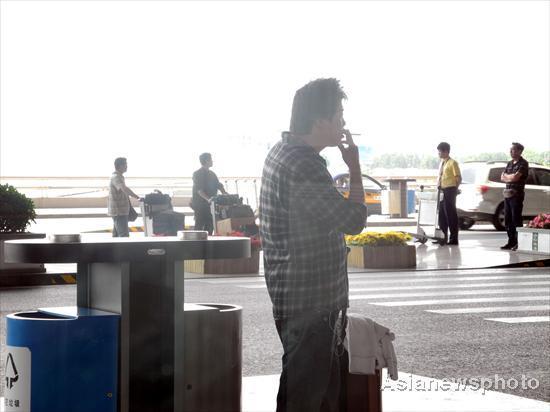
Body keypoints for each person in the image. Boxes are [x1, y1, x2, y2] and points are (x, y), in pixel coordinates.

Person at [259, 78, 367, 412]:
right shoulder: (304, 164)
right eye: (339, 116)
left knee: (318, 392)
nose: (344, 124)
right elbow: (353, 220)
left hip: (298, 293)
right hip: (311, 299)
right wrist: (355, 168)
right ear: (320, 121)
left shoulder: (281, 152)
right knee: (306, 395)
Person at [500, 142, 529, 250]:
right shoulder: (509, 163)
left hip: (516, 195)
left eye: (513, 150)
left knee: (516, 219)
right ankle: (510, 241)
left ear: (520, 151)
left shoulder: (523, 163)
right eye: (511, 150)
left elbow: (516, 178)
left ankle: (519, 243)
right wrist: (510, 177)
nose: (511, 152)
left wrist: (509, 177)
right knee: (508, 219)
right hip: (507, 195)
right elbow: (502, 177)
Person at [191, 152, 228, 234]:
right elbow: (199, 190)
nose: (212, 161)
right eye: (211, 159)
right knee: (199, 225)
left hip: (210, 205)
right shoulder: (197, 174)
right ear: (206, 161)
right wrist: (208, 199)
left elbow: (219, 185)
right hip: (200, 204)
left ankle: (208, 243)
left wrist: (225, 193)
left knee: (210, 225)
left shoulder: (212, 174)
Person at [436, 142, 462, 246]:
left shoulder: (453, 163)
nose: (438, 154)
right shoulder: (442, 163)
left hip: (450, 190)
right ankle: (443, 238)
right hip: (442, 191)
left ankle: (453, 239)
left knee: (450, 215)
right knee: (441, 215)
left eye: (440, 151)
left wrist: (455, 190)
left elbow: (458, 178)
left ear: (446, 151)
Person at [108, 157, 141, 237]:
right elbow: (124, 189)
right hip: (119, 211)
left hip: (119, 210)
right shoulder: (116, 177)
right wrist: (137, 197)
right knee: (124, 236)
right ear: (120, 166)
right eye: (125, 165)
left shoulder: (119, 177)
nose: (127, 167)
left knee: (116, 235)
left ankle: (113, 249)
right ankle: (124, 249)